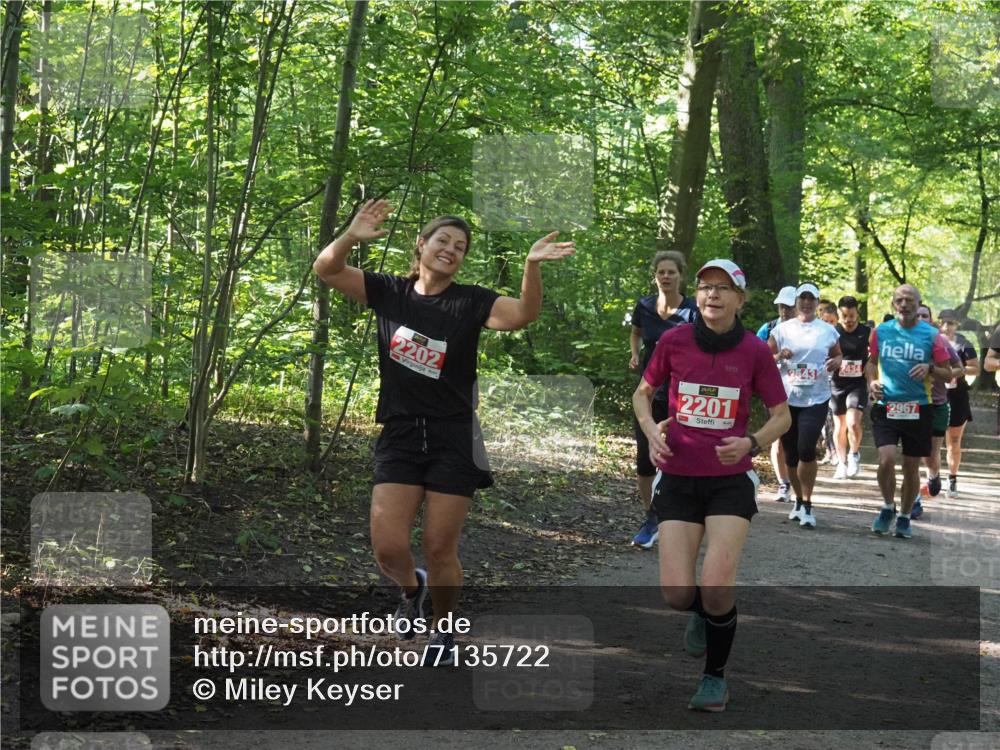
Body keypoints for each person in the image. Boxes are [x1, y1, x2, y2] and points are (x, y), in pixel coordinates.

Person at [313, 199, 574, 665]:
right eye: (443, 240)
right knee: (387, 547)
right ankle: (412, 591)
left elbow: (522, 314)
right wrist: (351, 235)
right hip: (400, 433)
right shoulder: (389, 291)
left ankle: (444, 630)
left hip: (454, 436)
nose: (451, 249)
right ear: (421, 245)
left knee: (439, 545)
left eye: (460, 246)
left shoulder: (471, 301)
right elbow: (326, 269)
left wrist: (531, 266)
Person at [634, 259, 790, 713]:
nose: (712, 295)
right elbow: (643, 393)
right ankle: (702, 613)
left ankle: (714, 677)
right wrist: (651, 430)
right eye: (705, 287)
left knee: (717, 586)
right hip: (679, 476)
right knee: (677, 595)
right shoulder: (674, 340)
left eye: (723, 288)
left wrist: (751, 442)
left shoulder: (755, 351)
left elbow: (781, 416)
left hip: (729, 481)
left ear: (740, 299)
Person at [866, 284, 953, 539]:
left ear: (918, 303)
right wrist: (872, 381)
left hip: (919, 407)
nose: (904, 305)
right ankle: (887, 507)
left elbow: (948, 373)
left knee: (911, 466)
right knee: (886, 459)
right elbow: (870, 364)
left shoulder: (932, 335)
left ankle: (904, 516)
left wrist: (930, 369)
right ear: (893, 304)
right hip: (886, 406)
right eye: (899, 300)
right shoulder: (880, 332)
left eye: (909, 300)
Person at [628, 251, 698, 548]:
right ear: (655, 275)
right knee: (645, 460)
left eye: (671, 272)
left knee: (678, 456)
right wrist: (634, 353)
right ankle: (651, 516)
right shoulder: (644, 306)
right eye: (661, 272)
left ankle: (683, 518)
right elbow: (636, 333)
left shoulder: (693, 311)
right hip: (648, 391)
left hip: (681, 395)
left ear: (681, 276)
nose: (666, 276)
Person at [768, 283, 843, 528]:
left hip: (816, 398)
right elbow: (764, 358)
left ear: (817, 302)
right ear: (796, 301)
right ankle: (798, 500)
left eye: (812, 299)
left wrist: (836, 362)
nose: (807, 303)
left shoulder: (827, 330)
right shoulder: (782, 329)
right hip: (787, 398)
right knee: (790, 453)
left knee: (806, 447)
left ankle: (808, 503)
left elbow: (838, 354)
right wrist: (779, 356)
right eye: (803, 298)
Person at [910, 304, 963, 519]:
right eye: (918, 315)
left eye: (925, 315)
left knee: (930, 454)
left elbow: (958, 368)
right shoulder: (903, 340)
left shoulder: (939, 341)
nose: (921, 318)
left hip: (937, 404)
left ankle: (933, 474)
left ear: (931, 320)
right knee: (912, 454)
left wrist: (938, 372)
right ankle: (914, 500)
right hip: (911, 404)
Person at [756, 286, 796, 502]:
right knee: (778, 436)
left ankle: (797, 481)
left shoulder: (810, 330)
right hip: (775, 391)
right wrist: (778, 355)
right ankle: (783, 483)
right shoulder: (768, 328)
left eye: (789, 307)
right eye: (781, 306)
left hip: (803, 393)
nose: (784, 311)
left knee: (798, 439)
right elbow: (754, 357)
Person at [939, 308, 980, 497]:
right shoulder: (931, 341)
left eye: (950, 323)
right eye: (943, 322)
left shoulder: (965, 344)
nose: (946, 326)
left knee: (954, 441)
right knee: (930, 440)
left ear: (957, 324)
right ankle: (932, 477)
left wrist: (958, 369)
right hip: (934, 396)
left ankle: (952, 479)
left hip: (957, 397)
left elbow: (975, 368)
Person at [830, 296, 870, 479]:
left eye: (852, 316)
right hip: (837, 385)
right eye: (844, 316)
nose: (848, 320)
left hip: (857, 384)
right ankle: (842, 462)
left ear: (857, 314)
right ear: (839, 315)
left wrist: (871, 369)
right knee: (840, 425)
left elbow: (875, 355)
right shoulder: (833, 332)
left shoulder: (867, 332)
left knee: (853, 422)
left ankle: (854, 455)